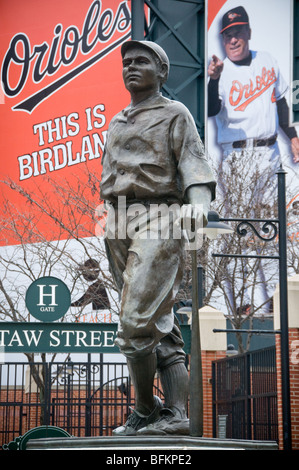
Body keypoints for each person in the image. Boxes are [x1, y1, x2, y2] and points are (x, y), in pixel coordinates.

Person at [99, 40, 216, 435]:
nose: (131, 67)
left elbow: (194, 165)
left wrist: (198, 202)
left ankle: (146, 409)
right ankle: (178, 415)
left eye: (141, 61)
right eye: (126, 62)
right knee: (155, 323)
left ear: (162, 72)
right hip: (116, 222)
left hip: (160, 215)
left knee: (134, 319)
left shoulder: (175, 113)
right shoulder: (117, 120)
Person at [208, 5, 299, 182]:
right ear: (223, 40)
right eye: (228, 36)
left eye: (238, 32)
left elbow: (280, 103)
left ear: (249, 32)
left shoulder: (267, 60)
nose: (233, 40)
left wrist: (293, 138)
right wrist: (214, 80)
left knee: (271, 210)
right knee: (239, 211)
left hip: (270, 153)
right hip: (237, 155)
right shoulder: (220, 72)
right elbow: (212, 110)